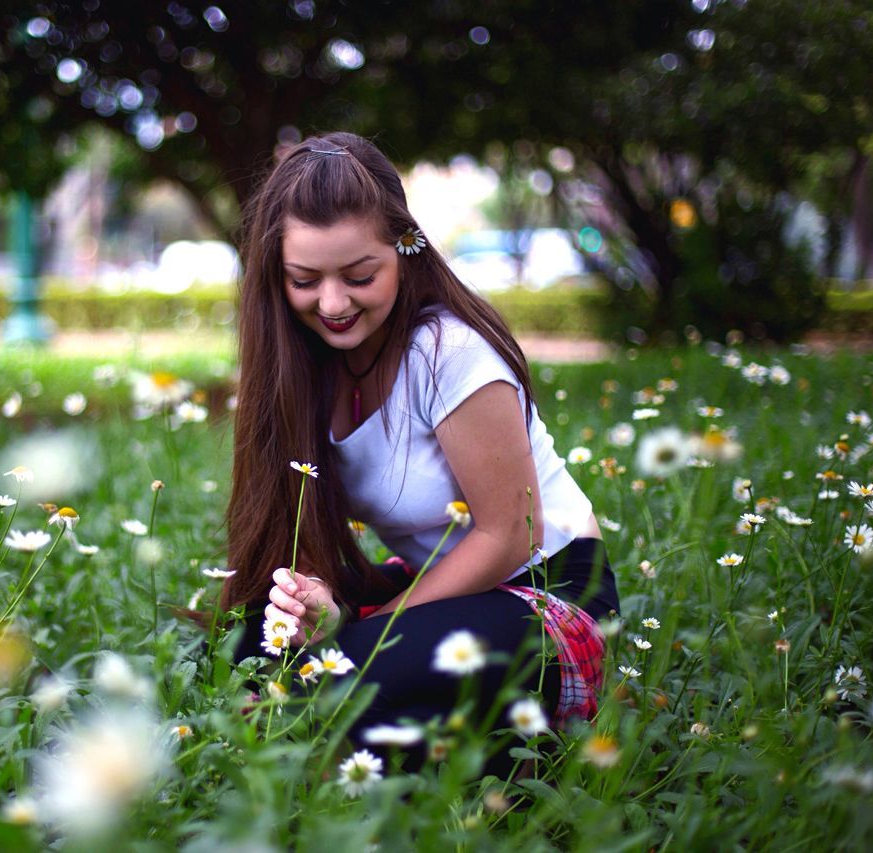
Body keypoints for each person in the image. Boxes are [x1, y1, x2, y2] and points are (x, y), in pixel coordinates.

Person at [218, 131, 619, 779]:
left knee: (345, 671)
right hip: (428, 584)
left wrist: (372, 625)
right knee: (250, 640)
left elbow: (510, 535)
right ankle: (386, 731)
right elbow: (301, 542)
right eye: (303, 279)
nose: (332, 303)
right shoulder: (304, 368)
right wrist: (324, 602)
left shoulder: (451, 353)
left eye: (360, 275)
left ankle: (405, 739)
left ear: (405, 250)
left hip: (544, 590)